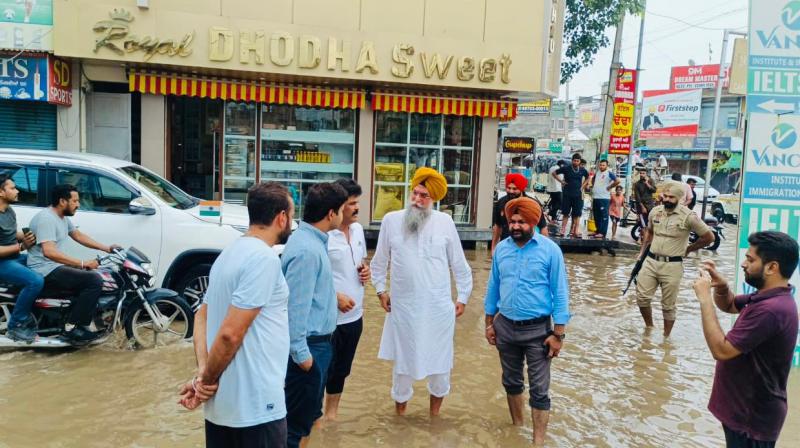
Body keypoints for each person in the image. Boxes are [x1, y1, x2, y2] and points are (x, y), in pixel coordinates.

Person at [178, 182, 294, 448]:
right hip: (256, 407)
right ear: (281, 217)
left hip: (223, 409)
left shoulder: (227, 254)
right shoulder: (264, 259)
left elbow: (201, 317)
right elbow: (230, 335)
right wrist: (205, 381)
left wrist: (202, 376)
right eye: (292, 214)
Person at [370, 167, 473, 417]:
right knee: (402, 370)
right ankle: (400, 418)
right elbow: (379, 262)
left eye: (424, 196)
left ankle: (434, 419)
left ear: (434, 199)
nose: (417, 200)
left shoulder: (445, 223)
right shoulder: (391, 221)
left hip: (438, 310)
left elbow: (460, 265)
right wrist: (381, 291)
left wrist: (462, 298)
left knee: (440, 368)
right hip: (403, 308)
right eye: (415, 193)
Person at [692, 231, 799, 448]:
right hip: (745, 413)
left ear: (772, 267)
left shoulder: (771, 310)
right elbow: (730, 304)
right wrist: (721, 287)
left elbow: (721, 351)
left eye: (750, 259)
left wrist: (704, 299)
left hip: (751, 419)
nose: (743, 264)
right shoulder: (769, 296)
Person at [484, 197, 569, 447]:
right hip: (505, 327)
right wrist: (489, 323)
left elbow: (560, 292)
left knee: (540, 390)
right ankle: (516, 430)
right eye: (512, 221)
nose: (516, 226)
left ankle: (537, 442)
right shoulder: (502, 249)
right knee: (511, 381)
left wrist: (559, 334)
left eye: (522, 222)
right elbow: (493, 288)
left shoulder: (550, 250)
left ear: (533, 222)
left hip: (539, 331)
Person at [282, 182, 348, 448]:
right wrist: (302, 356)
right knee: (296, 427)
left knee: (307, 418)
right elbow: (295, 307)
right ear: (331, 214)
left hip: (317, 345)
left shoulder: (311, 241)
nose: (344, 216)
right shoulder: (307, 250)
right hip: (308, 348)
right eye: (342, 210)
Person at [26, 184, 120, 345]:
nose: (78, 204)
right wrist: (83, 263)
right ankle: (73, 328)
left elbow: (77, 235)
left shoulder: (61, 217)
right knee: (93, 280)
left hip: (52, 266)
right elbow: (49, 252)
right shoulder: (47, 219)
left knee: (95, 276)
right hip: (44, 269)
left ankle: (82, 321)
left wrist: (107, 248)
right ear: (63, 201)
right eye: (75, 201)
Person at [635, 181, 714, 337]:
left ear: (679, 198)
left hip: (673, 265)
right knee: (642, 298)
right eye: (665, 196)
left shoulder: (688, 217)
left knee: (668, 305)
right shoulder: (655, 212)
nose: (667, 199)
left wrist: (689, 249)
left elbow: (709, 237)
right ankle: (649, 328)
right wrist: (641, 253)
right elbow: (649, 233)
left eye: (671, 197)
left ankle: (666, 337)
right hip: (650, 261)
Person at [323, 179, 371, 421]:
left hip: (354, 317)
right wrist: (334, 298)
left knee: (341, 371)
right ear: (338, 207)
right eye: (352, 204)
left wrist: (366, 271)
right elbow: (309, 279)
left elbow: (360, 262)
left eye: (357, 203)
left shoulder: (358, 230)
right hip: (327, 319)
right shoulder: (322, 235)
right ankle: (314, 419)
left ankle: (331, 416)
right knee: (321, 370)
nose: (357, 208)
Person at [0, 173, 43, 343]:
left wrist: (31, 236)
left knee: (45, 264)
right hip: (2, 263)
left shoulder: (9, 211)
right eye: (12, 188)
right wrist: (21, 246)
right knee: (35, 281)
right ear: (1, 192)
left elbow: (11, 234)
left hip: (14, 258)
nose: (17, 191)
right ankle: (16, 326)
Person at [492, 173, 547, 253]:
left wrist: (545, 249)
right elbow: (497, 227)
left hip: (528, 247)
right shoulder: (501, 203)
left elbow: (543, 227)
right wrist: (494, 249)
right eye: (508, 188)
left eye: (515, 189)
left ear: (521, 189)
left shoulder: (533, 204)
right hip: (507, 246)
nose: (511, 191)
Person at [553, 153, 590, 238]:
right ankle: (562, 231)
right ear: (572, 160)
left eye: (577, 161)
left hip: (578, 195)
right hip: (567, 195)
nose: (576, 162)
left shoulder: (582, 170)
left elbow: (588, 177)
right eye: (574, 160)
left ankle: (575, 231)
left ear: (580, 161)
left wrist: (583, 186)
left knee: (577, 214)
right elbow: (554, 173)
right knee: (565, 213)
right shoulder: (566, 168)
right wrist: (561, 181)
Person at [587, 159, 620, 239]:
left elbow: (617, 181)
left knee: (603, 216)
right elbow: (593, 179)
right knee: (596, 215)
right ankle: (597, 230)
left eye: (603, 165)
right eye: (600, 165)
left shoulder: (609, 173)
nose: (601, 166)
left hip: (604, 198)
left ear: (606, 166)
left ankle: (602, 232)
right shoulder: (597, 173)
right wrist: (592, 186)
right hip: (596, 197)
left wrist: (610, 187)